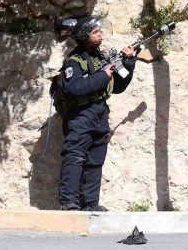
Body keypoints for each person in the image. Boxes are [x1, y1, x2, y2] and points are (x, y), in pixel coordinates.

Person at [53, 15, 137, 212]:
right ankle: (69, 202)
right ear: (84, 35)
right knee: (75, 156)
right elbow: (74, 88)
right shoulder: (74, 61)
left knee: (96, 159)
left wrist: (128, 63)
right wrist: (102, 75)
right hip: (80, 115)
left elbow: (118, 87)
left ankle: (90, 203)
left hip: (100, 114)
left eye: (100, 31)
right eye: (95, 32)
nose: (100, 35)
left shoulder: (101, 58)